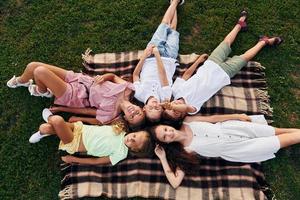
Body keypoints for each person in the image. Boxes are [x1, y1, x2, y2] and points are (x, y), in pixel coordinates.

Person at [161, 10, 283, 122]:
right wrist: (171, 106)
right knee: (245, 57)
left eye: (171, 107)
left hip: (210, 64)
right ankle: (264, 42)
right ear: (183, 115)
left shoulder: (176, 91)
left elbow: (186, 75)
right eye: (176, 112)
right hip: (223, 74)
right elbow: (186, 107)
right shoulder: (193, 107)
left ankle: (240, 24)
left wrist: (198, 61)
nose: (175, 107)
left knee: (226, 43)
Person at [149, 114, 300, 188]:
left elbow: (214, 118)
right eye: (165, 137)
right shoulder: (184, 151)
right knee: (279, 141)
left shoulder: (188, 121)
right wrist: (162, 158)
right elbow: (175, 183)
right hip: (238, 149)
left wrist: (237, 116)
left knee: (278, 132)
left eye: (166, 129)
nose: (169, 133)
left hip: (232, 128)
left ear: (167, 125)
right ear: (166, 143)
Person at [7, 62, 145, 126]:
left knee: (39, 72)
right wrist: (104, 77)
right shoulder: (129, 89)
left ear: (126, 119)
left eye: (132, 117)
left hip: (75, 96)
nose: (133, 112)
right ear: (140, 108)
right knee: (32, 66)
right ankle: (22, 82)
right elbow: (113, 76)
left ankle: (42, 91)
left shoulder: (110, 114)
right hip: (80, 79)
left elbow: (85, 112)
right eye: (137, 113)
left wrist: (61, 109)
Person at [29, 112, 153, 166]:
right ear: (135, 132)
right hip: (79, 128)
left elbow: (97, 161)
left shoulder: (121, 153)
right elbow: (99, 123)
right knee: (45, 128)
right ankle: (45, 131)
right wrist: (80, 118)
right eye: (135, 136)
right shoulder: (121, 128)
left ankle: (50, 118)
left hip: (76, 142)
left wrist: (73, 159)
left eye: (134, 142)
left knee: (56, 120)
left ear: (134, 150)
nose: (131, 139)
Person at [132, 0, 185, 123]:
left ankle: (175, 2)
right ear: (162, 109)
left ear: (144, 108)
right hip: (170, 58)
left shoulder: (139, 94)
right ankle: (174, 3)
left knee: (164, 24)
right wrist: (158, 55)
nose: (155, 105)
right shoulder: (165, 97)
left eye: (151, 108)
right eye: (157, 108)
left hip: (150, 56)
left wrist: (145, 56)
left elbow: (135, 75)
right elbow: (162, 74)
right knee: (172, 30)